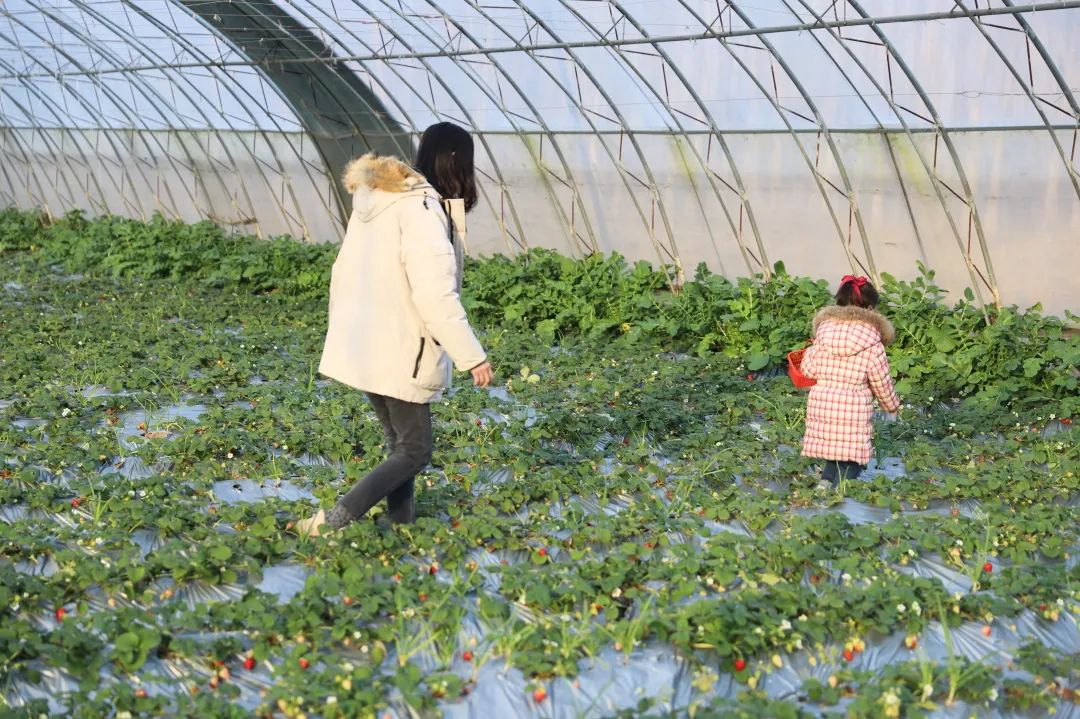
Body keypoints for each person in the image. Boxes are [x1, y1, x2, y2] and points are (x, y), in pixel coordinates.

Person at [295, 122, 494, 536]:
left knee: (402, 447)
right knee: (416, 450)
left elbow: (344, 272)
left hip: (370, 341)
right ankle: (330, 523)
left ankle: (402, 525)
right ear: (456, 161)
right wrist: (472, 355)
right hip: (401, 345)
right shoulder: (421, 210)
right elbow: (435, 293)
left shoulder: (382, 203)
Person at [800, 275, 900, 488]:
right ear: (871, 308)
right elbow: (881, 382)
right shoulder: (872, 342)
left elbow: (808, 369)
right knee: (852, 456)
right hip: (853, 407)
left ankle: (824, 485)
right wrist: (891, 406)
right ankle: (844, 493)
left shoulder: (823, 334)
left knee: (832, 449)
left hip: (823, 402)